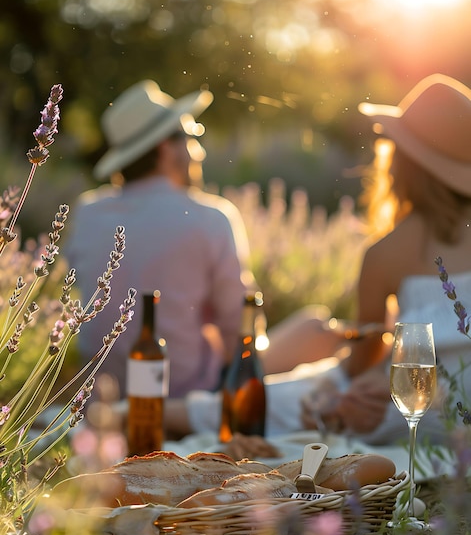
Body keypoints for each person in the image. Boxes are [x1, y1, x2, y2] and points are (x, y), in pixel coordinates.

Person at [165, 73, 471, 448]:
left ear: (402, 163)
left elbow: (361, 363)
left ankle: (149, 412)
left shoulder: (387, 253)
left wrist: (340, 375)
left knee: (299, 394)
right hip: (454, 415)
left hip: (413, 412)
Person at [65, 80, 248, 403]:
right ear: (166, 147)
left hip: (100, 399)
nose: (199, 149)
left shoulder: (87, 212)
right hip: (184, 399)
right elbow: (238, 331)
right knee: (315, 328)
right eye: (192, 135)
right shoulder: (211, 217)